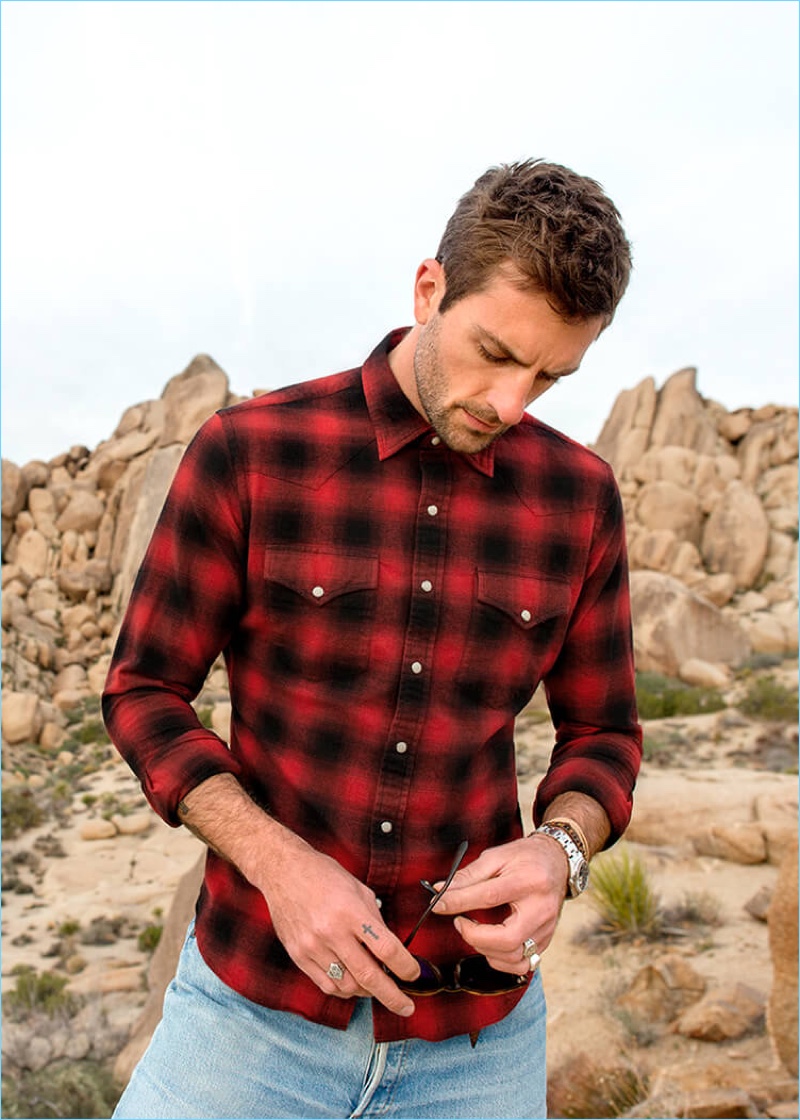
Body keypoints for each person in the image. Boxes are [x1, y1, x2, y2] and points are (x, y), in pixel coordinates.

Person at [103, 158, 642, 1119]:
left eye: (551, 375)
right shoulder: (252, 451)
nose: (512, 403)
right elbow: (145, 692)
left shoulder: (581, 497)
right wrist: (277, 862)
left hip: (481, 1042)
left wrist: (562, 850)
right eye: (493, 352)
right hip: (247, 1020)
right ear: (430, 288)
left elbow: (604, 735)